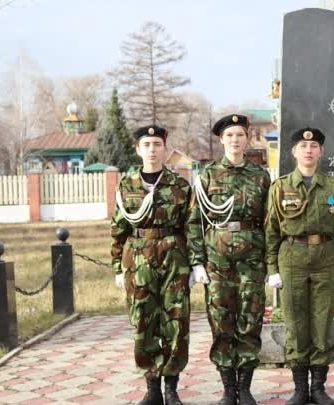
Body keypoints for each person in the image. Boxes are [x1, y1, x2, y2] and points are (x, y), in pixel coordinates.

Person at [111, 125, 206, 405]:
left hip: (174, 258)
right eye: (147, 144)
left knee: (176, 322)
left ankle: (171, 389)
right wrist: (118, 265)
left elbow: (192, 226)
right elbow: (119, 227)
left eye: (157, 144)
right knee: (143, 321)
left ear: (165, 149)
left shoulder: (179, 185)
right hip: (137, 258)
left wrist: (196, 262)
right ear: (138, 149)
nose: (152, 149)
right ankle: (152, 388)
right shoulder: (126, 185)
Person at [265, 127, 334, 405]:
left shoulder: (333, 188)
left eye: (314, 146)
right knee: (295, 323)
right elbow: (271, 231)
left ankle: (318, 387)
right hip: (292, 258)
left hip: (325, 259)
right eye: (303, 147)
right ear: (293, 152)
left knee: (322, 323)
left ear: (321, 152)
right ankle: (300, 388)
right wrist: (271, 269)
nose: (309, 150)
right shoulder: (280, 187)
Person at [187, 114, 271, 405]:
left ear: (247, 140)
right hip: (217, 260)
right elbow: (195, 222)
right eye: (230, 136)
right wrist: (197, 262)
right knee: (221, 322)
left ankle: (245, 387)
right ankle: (227, 389)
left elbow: (269, 222)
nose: (235, 140)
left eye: (240, 135)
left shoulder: (261, 176)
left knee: (250, 320)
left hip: (252, 258)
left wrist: (270, 264)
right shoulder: (207, 176)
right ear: (221, 140)